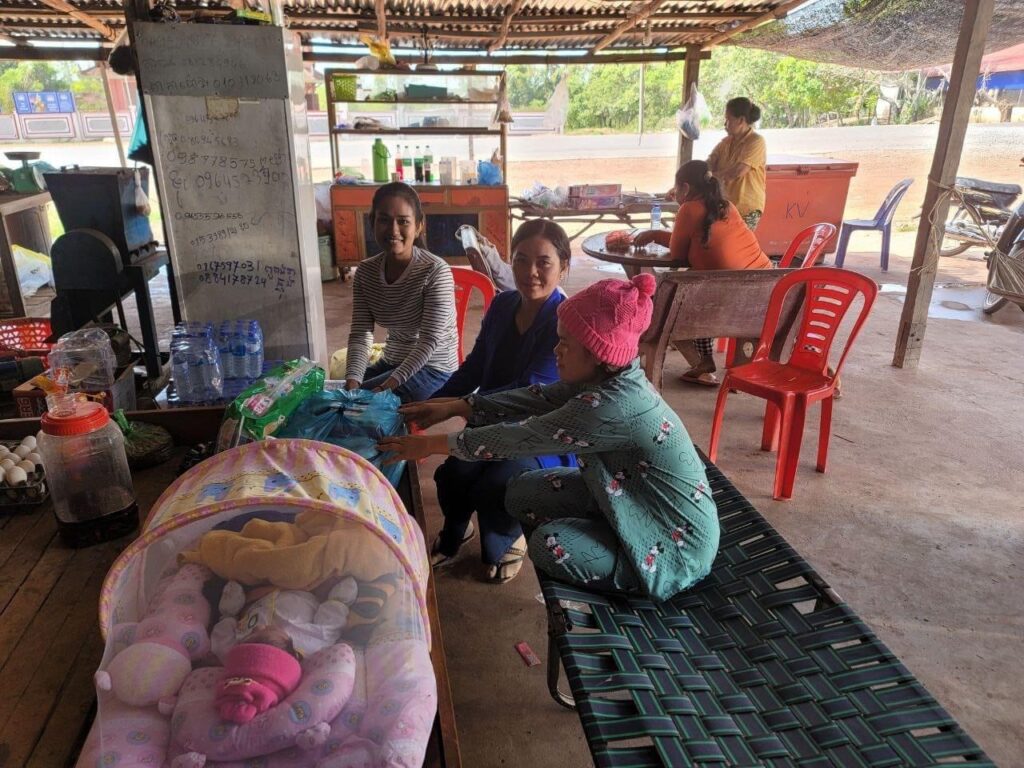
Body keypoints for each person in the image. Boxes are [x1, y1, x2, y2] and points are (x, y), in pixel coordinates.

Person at [379, 275, 720, 602]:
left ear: (597, 352)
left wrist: (430, 444)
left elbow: (522, 437)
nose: (557, 349)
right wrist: (459, 405)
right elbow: (536, 397)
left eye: (565, 343)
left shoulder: (610, 406)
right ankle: (607, 527)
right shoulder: (604, 379)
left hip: (673, 542)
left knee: (549, 545)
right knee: (519, 492)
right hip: (624, 495)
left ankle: (647, 575)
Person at [428, 219, 575, 584]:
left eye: (543, 262)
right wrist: (428, 405)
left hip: (540, 434)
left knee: (498, 483)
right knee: (454, 473)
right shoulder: (502, 305)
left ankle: (506, 540)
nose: (530, 272)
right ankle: (457, 528)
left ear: (563, 267)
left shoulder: (565, 321)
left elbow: (528, 391)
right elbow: (475, 366)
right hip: (490, 423)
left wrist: (455, 407)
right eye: (521, 260)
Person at [634, 160, 772, 386]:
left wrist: (655, 235)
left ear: (685, 188)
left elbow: (677, 253)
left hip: (726, 299)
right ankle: (703, 361)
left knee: (669, 302)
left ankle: (702, 360)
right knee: (699, 287)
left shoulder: (689, 209)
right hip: (765, 291)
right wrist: (658, 235)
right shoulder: (727, 206)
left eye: (677, 188)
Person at [344, 182, 458, 402]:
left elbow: (428, 342)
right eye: (384, 220)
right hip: (392, 362)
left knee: (363, 405)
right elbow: (360, 334)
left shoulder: (435, 271)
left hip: (434, 369)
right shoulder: (366, 272)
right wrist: (352, 382)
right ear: (372, 223)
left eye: (403, 221)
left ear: (419, 226)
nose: (393, 230)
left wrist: (384, 389)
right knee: (343, 398)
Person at [706, 97, 766, 231]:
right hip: (725, 206)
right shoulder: (725, 142)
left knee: (735, 242)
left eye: (728, 119)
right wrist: (701, 173)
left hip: (746, 208)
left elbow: (738, 171)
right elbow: (709, 162)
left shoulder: (756, 141)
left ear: (741, 120)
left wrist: (710, 176)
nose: (725, 124)